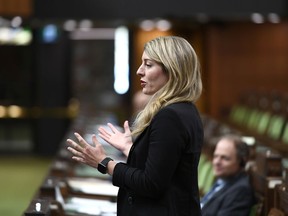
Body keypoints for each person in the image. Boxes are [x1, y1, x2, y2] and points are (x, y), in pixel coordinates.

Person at [67, 36, 204, 216]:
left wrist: (104, 163)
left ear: (172, 69)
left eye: (148, 65)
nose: (139, 71)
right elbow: (167, 167)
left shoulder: (170, 116)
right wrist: (130, 148)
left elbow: (151, 184)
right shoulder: (186, 109)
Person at [201, 134, 256, 216]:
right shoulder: (223, 179)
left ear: (241, 162)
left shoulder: (240, 191)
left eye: (225, 158)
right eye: (215, 156)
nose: (217, 162)